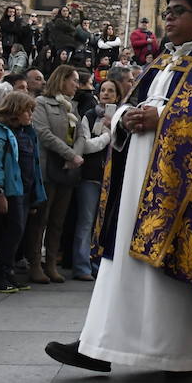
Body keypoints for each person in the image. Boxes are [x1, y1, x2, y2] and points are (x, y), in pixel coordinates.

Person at [46, 0, 192, 373]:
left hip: (187, 190)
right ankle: (100, 343)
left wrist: (163, 119)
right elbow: (130, 102)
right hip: (138, 177)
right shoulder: (162, 61)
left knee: (167, 266)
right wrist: (125, 117)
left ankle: (180, 353)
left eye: (178, 11)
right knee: (121, 258)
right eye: (167, 11)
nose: (169, 18)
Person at [25, 64, 83, 284]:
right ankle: (35, 264)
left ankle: (50, 263)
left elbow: (81, 135)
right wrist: (69, 154)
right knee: (41, 219)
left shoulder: (72, 106)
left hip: (68, 169)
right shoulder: (42, 103)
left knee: (58, 220)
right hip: (48, 168)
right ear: (62, 80)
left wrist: (75, 156)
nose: (76, 85)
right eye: (73, 80)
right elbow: (43, 132)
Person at [0, 90, 47, 292]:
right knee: (11, 233)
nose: (30, 115)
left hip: (25, 192)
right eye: (27, 111)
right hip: (11, 193)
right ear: (16, 111)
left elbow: (33, 166)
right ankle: (0, 274)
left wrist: (35, 196)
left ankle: (8, 271)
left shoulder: (26, 133)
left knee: (17, 234)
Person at [70, 78, 119, 281]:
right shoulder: (89, 116)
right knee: (86, 221)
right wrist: (107, 136)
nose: (106, 93)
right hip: (90, 176)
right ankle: (82, 266)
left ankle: (99, 263)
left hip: (111, 177)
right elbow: (86, 146)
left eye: (111, 91)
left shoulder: (120, 117)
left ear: (117, 96)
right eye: (103, 90)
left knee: (104, 222)